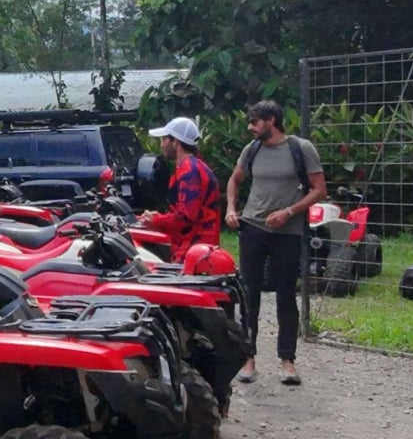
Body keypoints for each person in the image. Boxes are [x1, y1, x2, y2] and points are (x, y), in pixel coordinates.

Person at [224, 100, 327, 386]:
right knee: (249, 294)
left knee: (285, 295)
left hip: (287, 232)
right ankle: (248, 358)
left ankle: (287, 360)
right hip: (253, 227)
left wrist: (289, 212)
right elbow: (234, 180)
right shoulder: (252, 149)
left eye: (255, 121)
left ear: (271, 120)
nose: (250, 127)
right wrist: (231, 209)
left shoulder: (300, 148)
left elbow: (319, 189)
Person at [140, 116, 222, 262]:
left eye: (164, 139)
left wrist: (156, 220)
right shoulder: (192, 166)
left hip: (195, 249)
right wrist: (159, 218)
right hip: (192, 246)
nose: (161, 145)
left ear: (176, 142)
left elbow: (186, 217)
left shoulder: (190, 170)